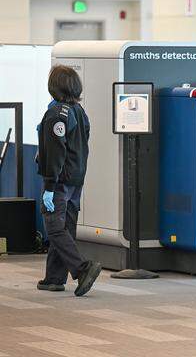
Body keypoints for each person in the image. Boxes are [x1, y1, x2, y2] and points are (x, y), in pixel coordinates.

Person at [36, 65, 102, 296]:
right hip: (76, 180)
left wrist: (49, 186)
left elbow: (56, 153)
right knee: (65, 228)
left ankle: (82, 269)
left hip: (60, 182)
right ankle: (54, 278)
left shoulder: (56, 114)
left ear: (54, 86)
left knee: (54, 228)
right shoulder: (78, 111)